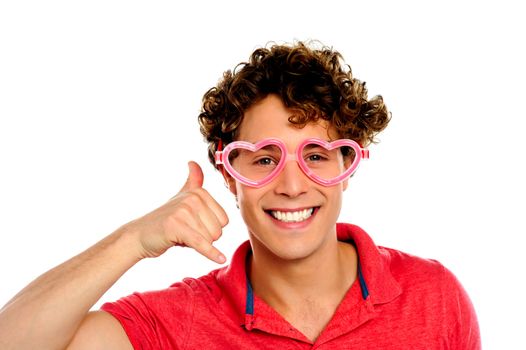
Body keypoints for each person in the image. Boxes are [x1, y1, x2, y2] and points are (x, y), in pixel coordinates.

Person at [0, 41, 481, 349]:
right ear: (227, 172)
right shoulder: (174, 323)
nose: (292, 186)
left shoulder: (433, 297)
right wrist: (133, 240)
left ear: (347, 166)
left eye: (315, 155)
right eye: (265, 159)